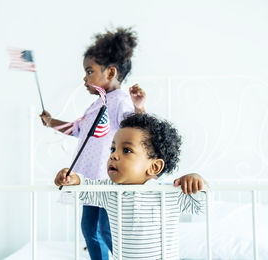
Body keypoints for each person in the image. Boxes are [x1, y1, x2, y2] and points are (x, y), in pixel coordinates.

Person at [40, 27, 145, 260]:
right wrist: (51, 122)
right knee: (90, 230)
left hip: (106, 180)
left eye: (89, 71)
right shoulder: (97, 104)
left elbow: (135, 129)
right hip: (89, 179)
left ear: (110, 73)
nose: (85, 78)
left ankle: (131, 257)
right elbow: (78, 129)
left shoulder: (120, 100)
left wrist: (138, 106)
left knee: (105, 230)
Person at [55, 113, 206, 260]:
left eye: (126, 150)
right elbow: (85, 189)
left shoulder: (168, 192)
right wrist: (73, 179)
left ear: (154, 167)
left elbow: (203, 204)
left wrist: (197, 181)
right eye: (113, 149)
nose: (113, 155)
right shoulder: (110, 191)